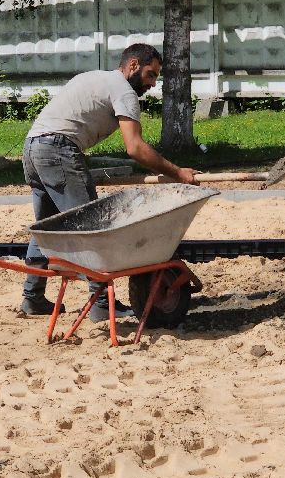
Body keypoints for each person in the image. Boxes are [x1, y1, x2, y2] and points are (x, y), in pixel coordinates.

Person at [20, 43, 197, 319]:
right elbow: (135, 147)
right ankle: (102, 304)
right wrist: (178, 172)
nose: (152, 84)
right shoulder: (124, 91)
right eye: (151, 75)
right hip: (58, 149)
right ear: (134, 66)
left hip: (32, 148)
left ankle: (33, 297)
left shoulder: (93, 77)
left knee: (48, 227)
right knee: (95, 226)